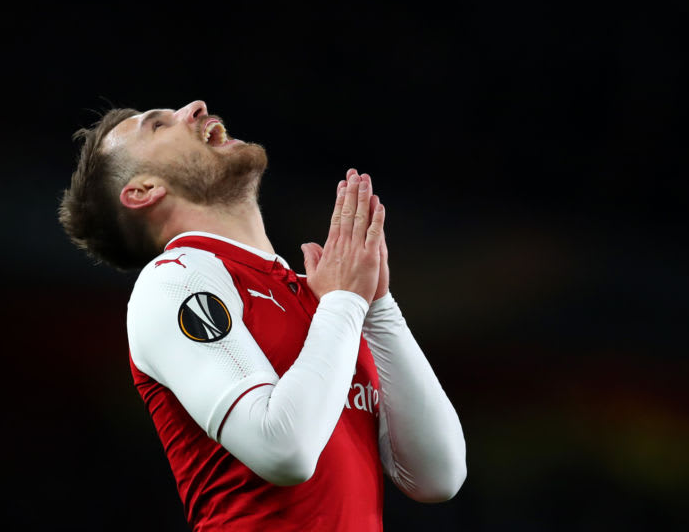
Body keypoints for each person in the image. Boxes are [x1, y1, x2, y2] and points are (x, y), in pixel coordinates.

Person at [58, 100, 466, 531]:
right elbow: (284, 450)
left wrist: (377, 306)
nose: (194, 108)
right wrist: (346, 301)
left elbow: (438, 476)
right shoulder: (174, 281)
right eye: (159, 125)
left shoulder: (323, 299)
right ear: (143, 190)